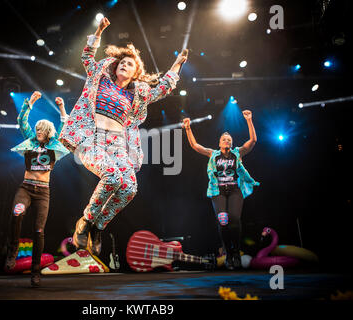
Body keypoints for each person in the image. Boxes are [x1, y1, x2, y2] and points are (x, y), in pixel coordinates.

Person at [59, 17, 187, 256]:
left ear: (135, 72)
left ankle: (98, 226)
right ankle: (85, 222)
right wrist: (98, 31)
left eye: (130, 64)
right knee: (112, 176)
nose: (124, 65)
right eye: (122, 62)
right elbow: (87, 56)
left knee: (128, 187)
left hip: (118, 144)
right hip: (92, 138)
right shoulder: (100, 76)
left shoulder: (137, 93)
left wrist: (177, 65)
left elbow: (163, 88)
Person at [5, 91, 69, 286]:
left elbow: (65, 127)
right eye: (37, 128)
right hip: (25, 188)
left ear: (48, 131)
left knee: (39, 231)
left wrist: (61, 108)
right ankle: (13, 249)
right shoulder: (31, 140)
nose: (38, 130)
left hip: (43, 192)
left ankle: (35, 272)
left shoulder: (54, 145)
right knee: (17, 212)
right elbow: (21, 120)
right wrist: (30, 102)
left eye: (42, 128)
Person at [182, 110, 259, 270]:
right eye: (224, 139)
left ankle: (236, 252)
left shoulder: (238, 153)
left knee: (235, 220)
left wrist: (249, 120)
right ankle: (228, 253)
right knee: (223, 221)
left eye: (229, 139)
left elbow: (252, 141)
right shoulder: (213, 154)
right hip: (218, 191)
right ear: (219, 143)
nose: (226, 141)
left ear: (231, 143)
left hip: (235, 190)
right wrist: (188, 129)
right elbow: (195, 146)